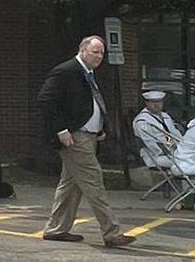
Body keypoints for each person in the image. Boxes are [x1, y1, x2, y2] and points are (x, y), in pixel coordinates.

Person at [37, 36, 134, 249]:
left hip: (88, 136)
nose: (99, 57)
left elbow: (88, 104)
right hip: (74, 137)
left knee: (70, 185)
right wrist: (61, 130)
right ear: (82, 50)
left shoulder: (87, 73)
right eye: (95, 52)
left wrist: (100, 128)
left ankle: (56, 229)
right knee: (94, 180)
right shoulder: (67, 71)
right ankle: (112, 232)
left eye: (101, 53)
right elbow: (45, 99)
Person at [132, 88, 182, 170]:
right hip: (155, 157)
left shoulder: (165, 116)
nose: (156, 104)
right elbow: (150, 143)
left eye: (159, 101)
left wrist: (182, 147)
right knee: (183, 163)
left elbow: (174, 134)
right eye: (153, 102)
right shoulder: (142, 121)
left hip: (173, 152)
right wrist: (171, 151)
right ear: (147, 103)